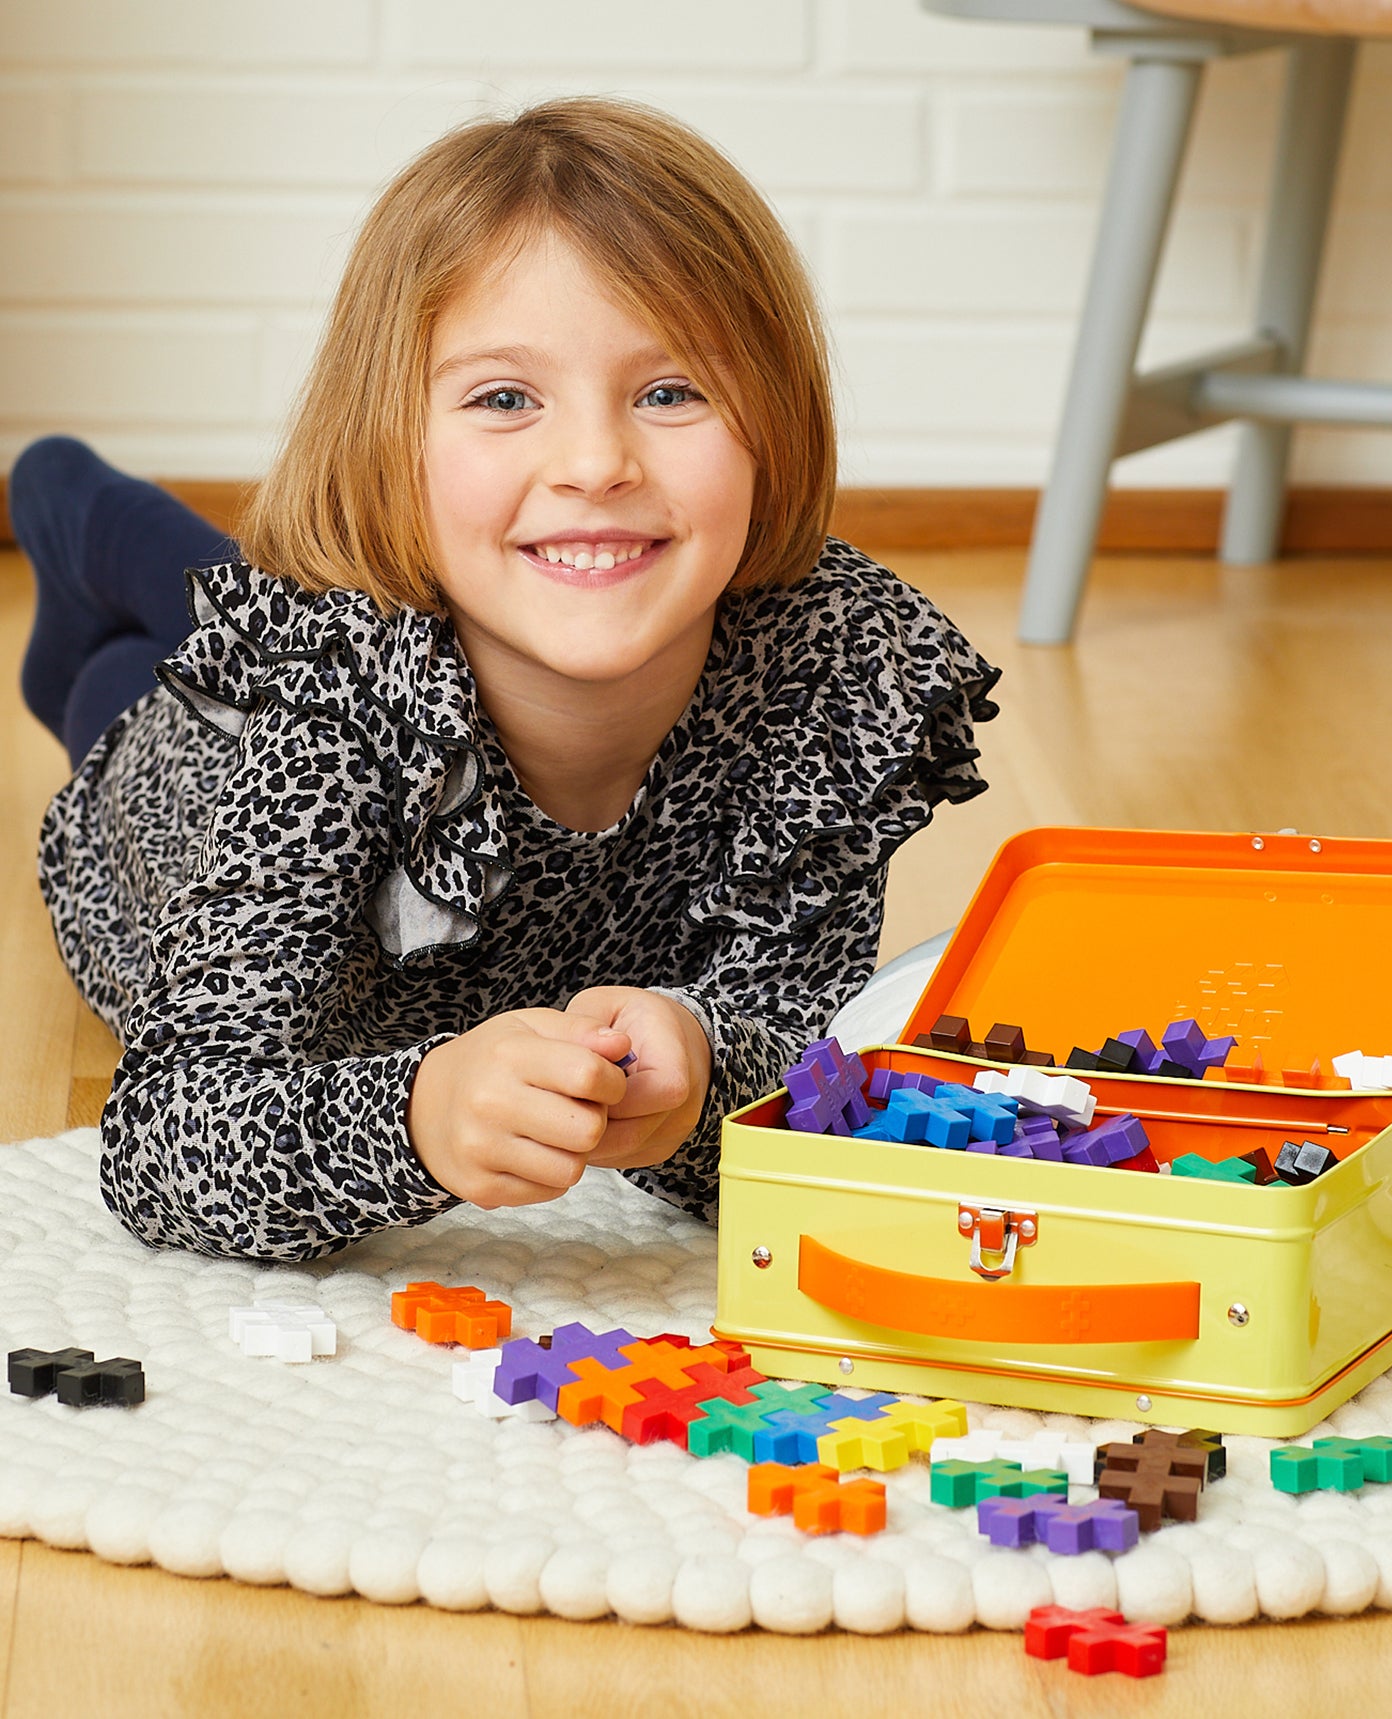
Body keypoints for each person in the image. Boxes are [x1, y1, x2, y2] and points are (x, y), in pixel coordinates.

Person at [11, 97, 999, 1263]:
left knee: (240, 617)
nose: (594, 463)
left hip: (414, 636)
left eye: (670, 392)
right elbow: (170, 1139)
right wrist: (416, 1118)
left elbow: (801, 1052)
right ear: (389, 437)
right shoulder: (319, 709)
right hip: (164, 816)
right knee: (151, 685)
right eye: (504, 398)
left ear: (774, 424)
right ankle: (71, 504)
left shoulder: (835, 671)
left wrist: (704, 1075)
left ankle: (91, 571)